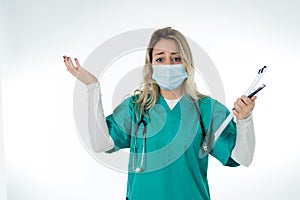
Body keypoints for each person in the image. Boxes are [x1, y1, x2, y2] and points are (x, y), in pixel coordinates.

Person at [63, 27, 256, 200]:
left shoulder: (206, 109)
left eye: (176, 58)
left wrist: (244, 120)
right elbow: (100, 143)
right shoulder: (136, 107)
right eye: (160, 59)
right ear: (150, 64)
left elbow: (242, 158)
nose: (168, 65)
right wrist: (92, 87)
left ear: (187, 63)